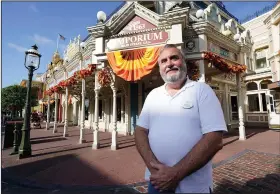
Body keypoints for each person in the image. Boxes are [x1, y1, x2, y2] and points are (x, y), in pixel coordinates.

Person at [135, 44, 227, 193]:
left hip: (194, 188)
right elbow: (140, 131)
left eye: (174, 58)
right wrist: (155, 170)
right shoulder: (153, 95)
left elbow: (215, 139)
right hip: (157, 183)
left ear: (183, 62)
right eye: (163, 61)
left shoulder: (202, 90)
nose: (169, 63)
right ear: (159, 68)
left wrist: (175, 174)